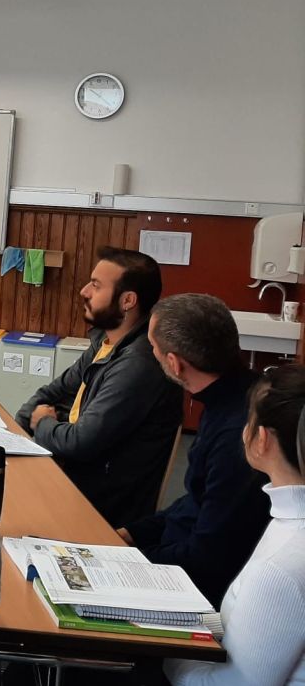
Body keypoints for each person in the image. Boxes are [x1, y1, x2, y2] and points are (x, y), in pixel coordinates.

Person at [118, 294, 270, 605]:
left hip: (199, 588)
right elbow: (199, 499)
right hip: (184, 555)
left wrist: (130, 562)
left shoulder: (238, 435)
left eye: (155, 350)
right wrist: (134, 533)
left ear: (174, 364)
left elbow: (208, 557)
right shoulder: (235, 395)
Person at [16, 247, 182, 526]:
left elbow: (81, 442)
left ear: (127, 300)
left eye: (95, 285)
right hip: (71, 476)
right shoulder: (104, 343)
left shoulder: (139, 365)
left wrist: (41, 425)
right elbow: (53, 392)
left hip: (97, 509)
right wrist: (20, 428)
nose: (84, 291)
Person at [164, 365, 305, 686]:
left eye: (248, 420)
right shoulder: (289, 520)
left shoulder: (283, 564)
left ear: (262, 440)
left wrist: (166, 652)